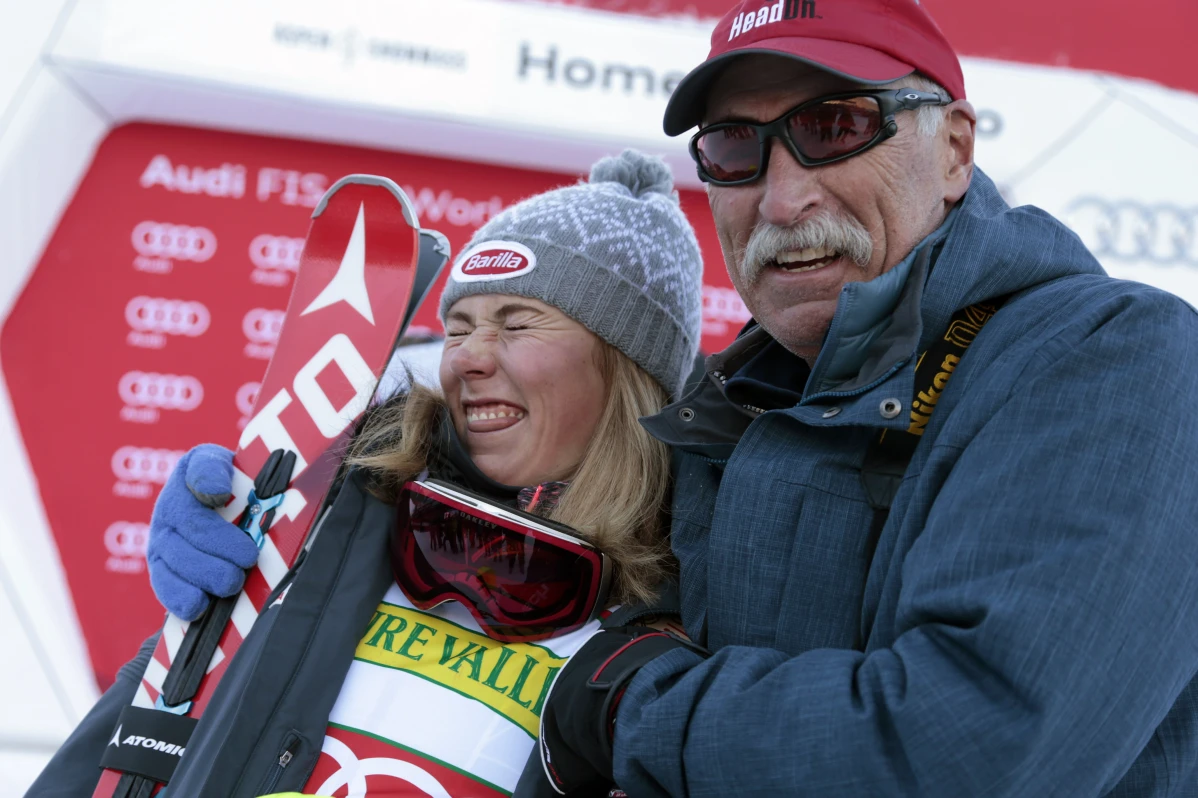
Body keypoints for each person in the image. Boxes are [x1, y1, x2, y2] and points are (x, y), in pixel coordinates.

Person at [535, 2, 1198, 796]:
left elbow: (968, 752)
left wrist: (630, 709)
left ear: (954, 150)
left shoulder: (1114, 353)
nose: (782, 201)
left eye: (835, 128)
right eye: (735, 147)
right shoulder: (729, 402)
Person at [26, 149, 704, 798]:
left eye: (518, 325)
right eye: (459, 327)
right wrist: (219, 576)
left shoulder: (701, 597)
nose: (466, 357)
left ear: (627, 367)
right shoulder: (343, 512)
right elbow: (139, 734)